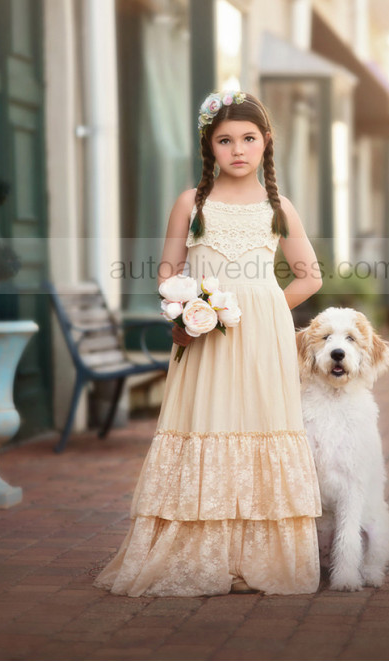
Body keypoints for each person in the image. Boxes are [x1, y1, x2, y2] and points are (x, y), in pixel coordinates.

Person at [93, 90, 323, 597]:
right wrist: (185, 314)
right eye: (225, 140)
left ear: (266, 143)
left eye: (248, 138)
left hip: (263, 336)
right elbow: (168, 274)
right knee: (207, 421)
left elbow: (309, 278)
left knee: (261, 424)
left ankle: (259, 555)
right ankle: (201, 552)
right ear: (209, 147)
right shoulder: (191, 203)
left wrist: (265, 309)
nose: (237, 149)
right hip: (204, 335)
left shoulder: (277, 206)